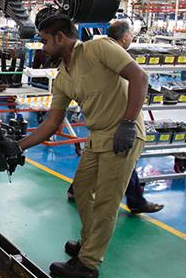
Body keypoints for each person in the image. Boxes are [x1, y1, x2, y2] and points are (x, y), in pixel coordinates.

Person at [12, 15, 149, 278]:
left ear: (60, 37)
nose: (42, 47)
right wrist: (19, 146)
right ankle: (88, 242)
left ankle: (88, 263)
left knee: (107, 202)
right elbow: (52, 123)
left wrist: (129, 122)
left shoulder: (100, 48)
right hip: (97, 137)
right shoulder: (63, 76)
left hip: (123, 134)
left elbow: (139, 78)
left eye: (44, 41)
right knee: (82, 191)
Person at [65, 20, 164, 214]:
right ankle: (133, 201)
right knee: (121, 160)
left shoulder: (97, 52)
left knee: (112, 161)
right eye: (131, 36)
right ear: (125, 37)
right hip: (117, 122)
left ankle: (78, 190)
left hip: (104, 122)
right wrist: (128, 123)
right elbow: (140, 78)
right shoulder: (112, 54)